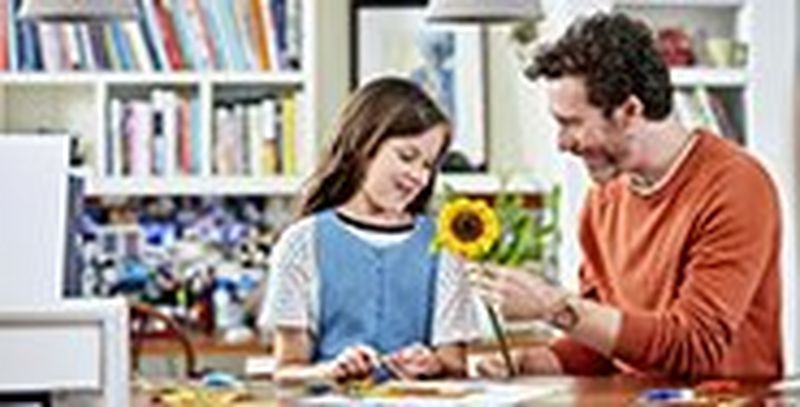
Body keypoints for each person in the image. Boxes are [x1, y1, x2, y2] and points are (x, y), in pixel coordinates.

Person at [474, 13, 782, 379]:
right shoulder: (603, 200)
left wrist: (553, 307)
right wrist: (527, 363)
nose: (561, 143)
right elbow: (600, 344)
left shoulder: (735, 186)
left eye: (571, 123)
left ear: (630, 111)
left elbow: (695, 345)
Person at [259, 77, 480, 384]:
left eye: (428, 165)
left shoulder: (445, 246)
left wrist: (432, 366)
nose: (418, 176)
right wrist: (331, 370)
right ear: (364, 145)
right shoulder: (301, 242)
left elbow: (456, 368)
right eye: (406, 157)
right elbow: (286, 371)